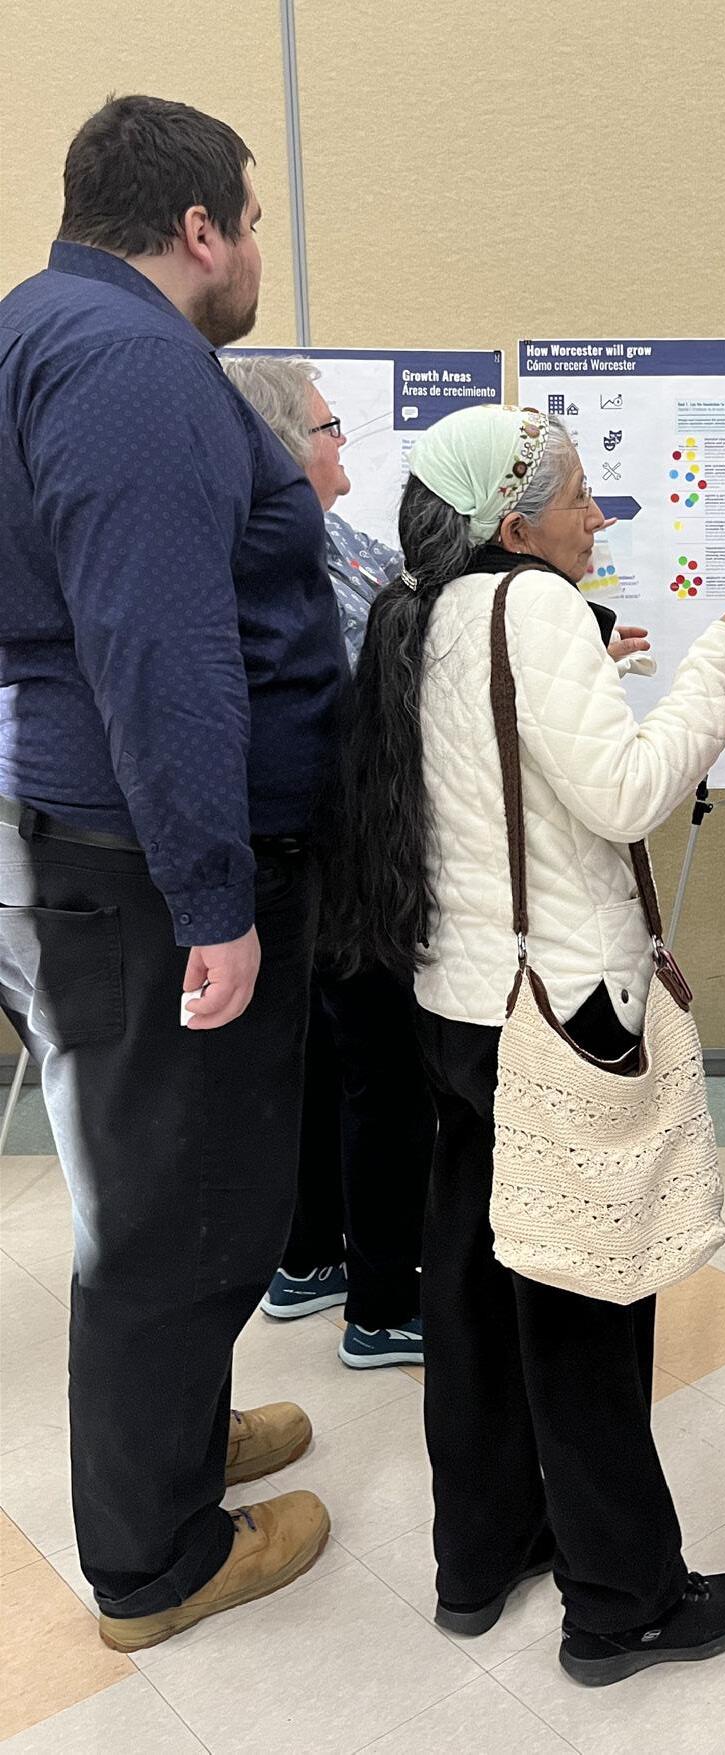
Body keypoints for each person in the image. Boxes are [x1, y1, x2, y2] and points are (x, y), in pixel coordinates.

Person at [328, 402, 725, 1685]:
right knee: (586, 1298)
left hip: (459, 1005)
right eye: (581, 497)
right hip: (561, 1006)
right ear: (515, 522)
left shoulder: (424, 612)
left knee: (475, 1286)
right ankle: (622, 1601)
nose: (600, 516)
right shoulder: (532, 607)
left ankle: (481, 1557)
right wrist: (720, 665)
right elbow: (628, 795)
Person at [0, 96, 343, 1652]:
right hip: (149, 864)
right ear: (198, 228)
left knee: (178, 1185)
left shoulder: (46, 328)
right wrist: (214, 898)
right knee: (172, 1206)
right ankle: (157, 1558)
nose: (258, 249)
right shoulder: (128, 360)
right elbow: (161, 646)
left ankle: (182, 1437)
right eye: (253, 222)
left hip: (102, 837)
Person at [223, 353, 432, 1367]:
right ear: (281, 450)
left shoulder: (329, 539)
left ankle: (309, 1258)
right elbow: (398, 658)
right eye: (326, 426)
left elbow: (414, 605)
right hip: (336, 844)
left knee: (326, 1058)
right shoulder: (276, 560)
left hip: (322, 845)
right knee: (376, 1071)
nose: (343, 439)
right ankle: (383, 1304)